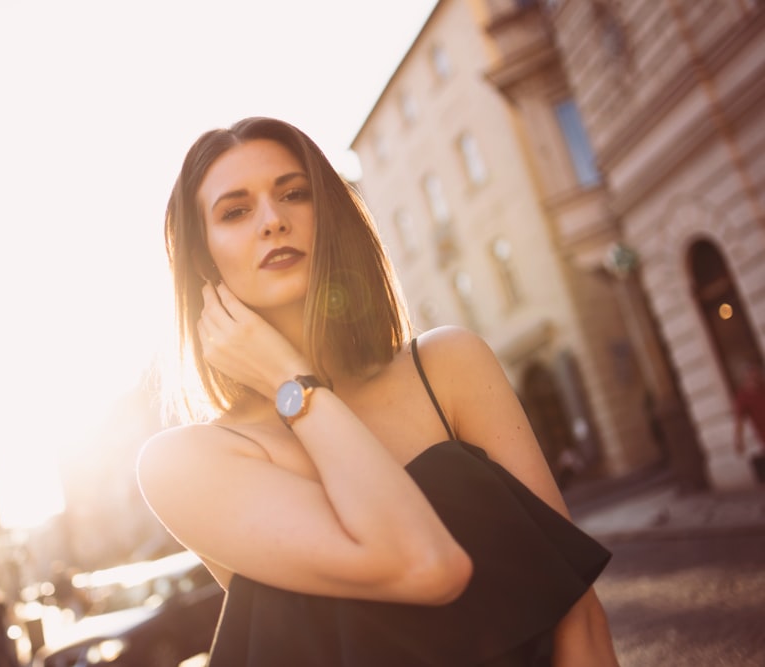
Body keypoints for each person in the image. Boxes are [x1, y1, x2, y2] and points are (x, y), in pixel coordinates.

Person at [137, 116, 620, 666]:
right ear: (202, 259)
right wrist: (287, 381)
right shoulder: (189, 463)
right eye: (236, 211)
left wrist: (292, 383)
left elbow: (577, 614)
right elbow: (423, 564)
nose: (273, 221)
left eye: (295, 194)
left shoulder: (448, 367)